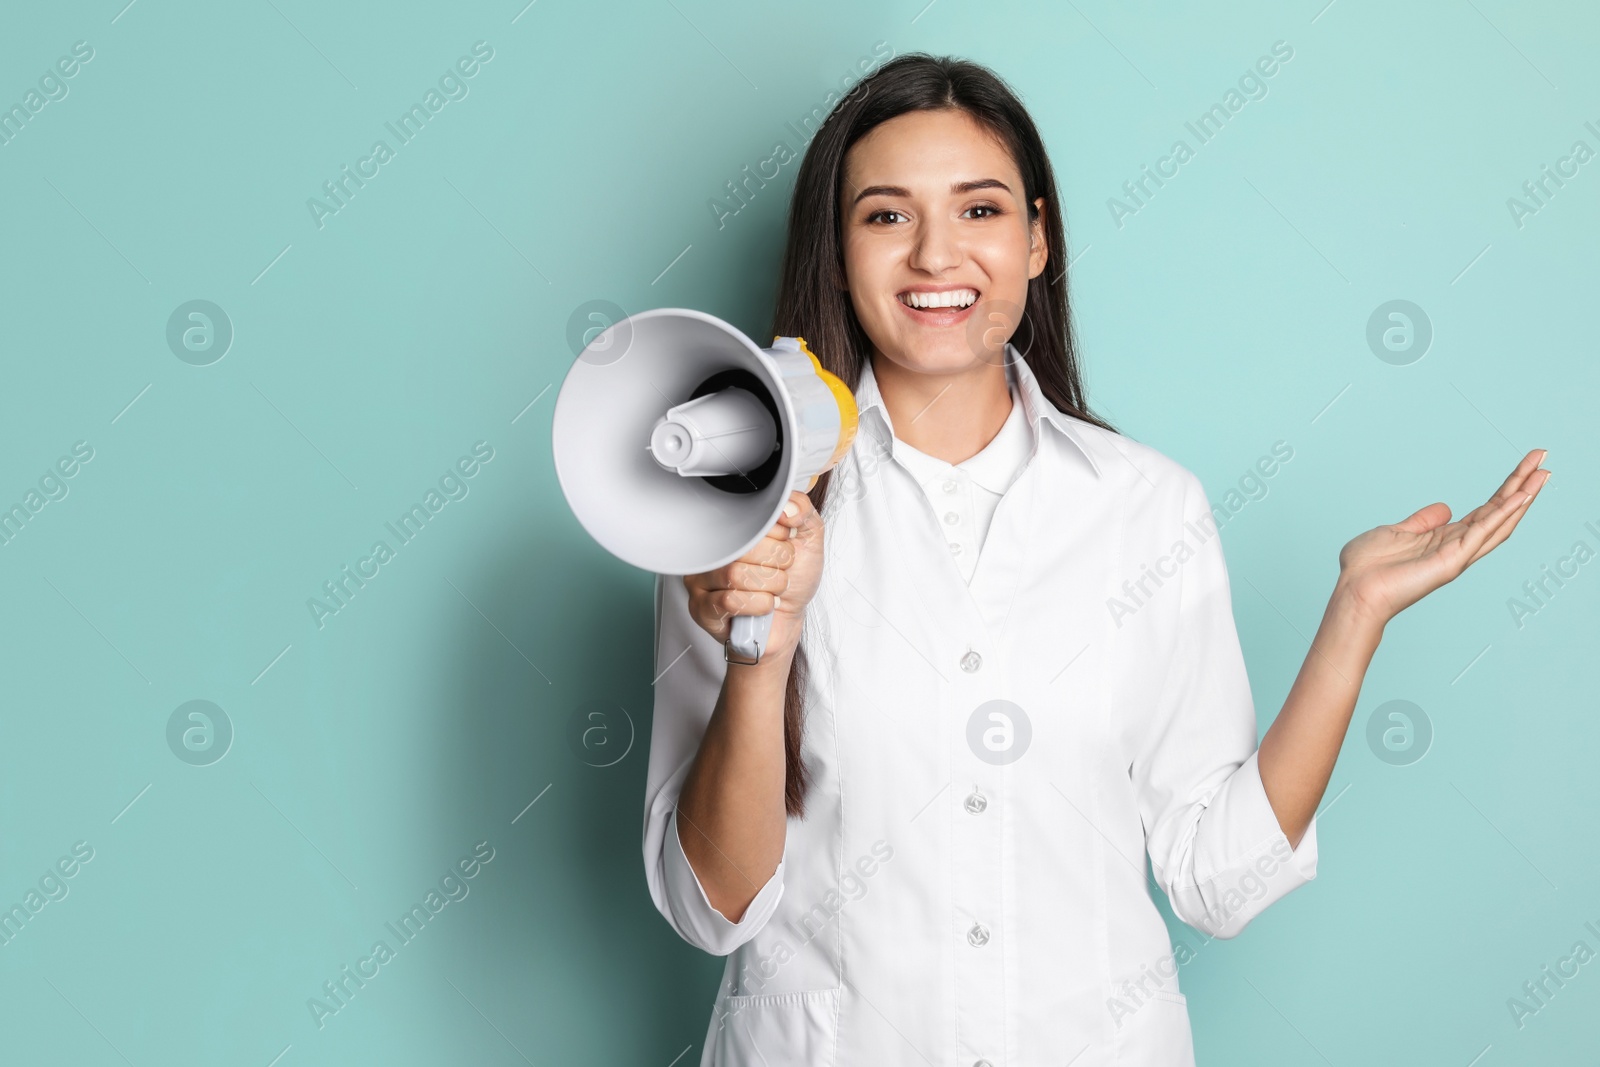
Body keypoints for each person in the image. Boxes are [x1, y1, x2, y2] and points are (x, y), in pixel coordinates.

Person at [641, 52, 1548, 1066]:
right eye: (887, 216)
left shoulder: (1146, 509)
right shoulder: (740, 515)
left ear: (1036, 239)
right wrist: (765, 655)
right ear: (839, 249)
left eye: (979, 211)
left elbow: (1220, 876)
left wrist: (1357, 611)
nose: (936, 255)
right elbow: (708, 903)